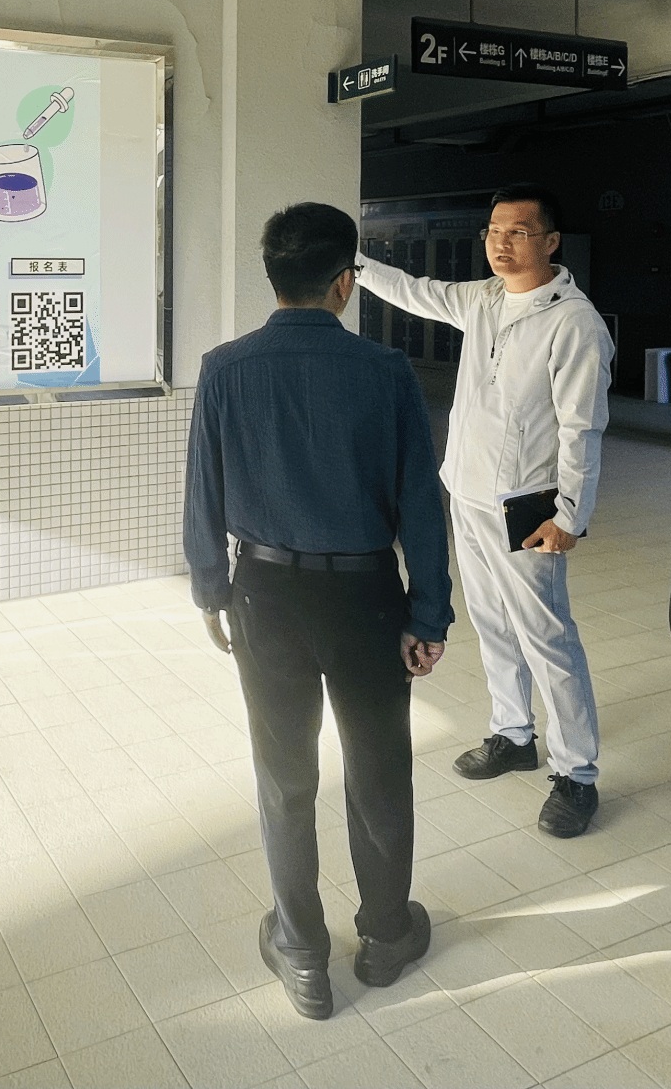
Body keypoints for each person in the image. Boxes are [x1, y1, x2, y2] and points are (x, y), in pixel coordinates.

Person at [184, 202, 453, 1020]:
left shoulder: (224, 367)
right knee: (379, 768)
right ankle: (386, 936)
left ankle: (302, 951)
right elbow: (420, 502)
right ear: (345, 282)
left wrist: (211, 588)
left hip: (264, 594)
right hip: (366, 597)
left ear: (274, 277)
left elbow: (203, 490)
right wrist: (429, 613)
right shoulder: (385, 370)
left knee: (284, 773)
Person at [353, 185, 613, 837]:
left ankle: (577, 774)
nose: (501, 243)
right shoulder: (485, 299)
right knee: (492, 623)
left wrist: (571, 514)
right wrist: (351, 262)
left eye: (518, 231)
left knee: (546, 636)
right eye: (494, 231)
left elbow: (583, 427)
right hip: (468, 492)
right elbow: (414, 290)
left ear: (551, 241)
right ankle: (512, 734)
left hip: (528, 503)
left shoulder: (574, 322)